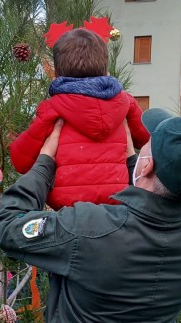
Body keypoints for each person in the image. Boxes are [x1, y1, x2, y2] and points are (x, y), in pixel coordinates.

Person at [0, 108, 181, 323]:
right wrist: (135, 162)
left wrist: (44, 164)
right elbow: (159, 198)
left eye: (147, 144)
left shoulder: (88, 228)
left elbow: (7, 226)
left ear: (148, 165)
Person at [9, 28, 150, 210]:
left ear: (58, 73)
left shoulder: (52, 108)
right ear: (106, 70)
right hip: (119, 203)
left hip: (67, 209)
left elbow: (21, 160)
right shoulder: (125, 102)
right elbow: (146, 139)